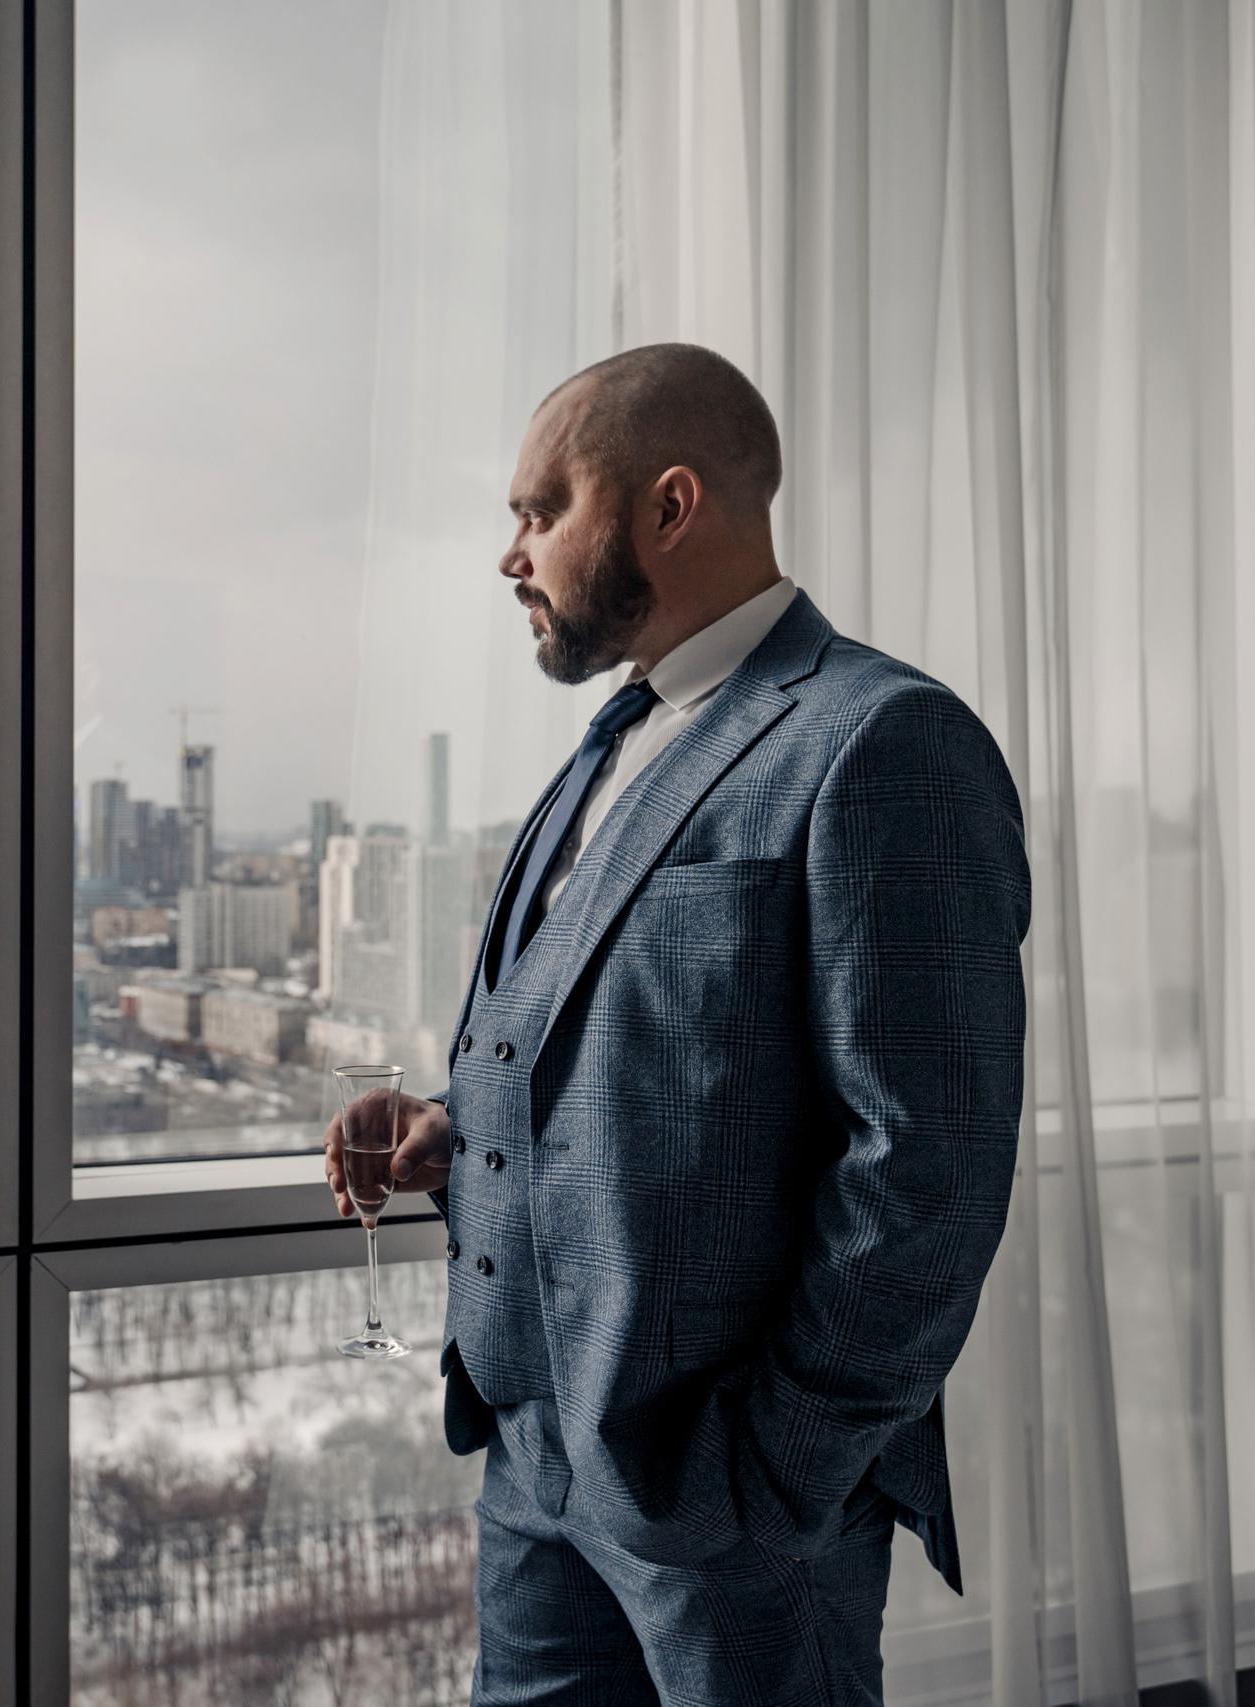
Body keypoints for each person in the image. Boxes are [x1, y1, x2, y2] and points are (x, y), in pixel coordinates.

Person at [323, 343, 1029, 1705]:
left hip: (734, 1508)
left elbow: (926, 1169)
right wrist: (452, 1133)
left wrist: (778, 1471)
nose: (509, 556)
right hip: (534, 1466)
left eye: (540, 510)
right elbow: (635, 1054)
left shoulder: (884, 743)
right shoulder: (616, 738)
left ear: (670, 505)